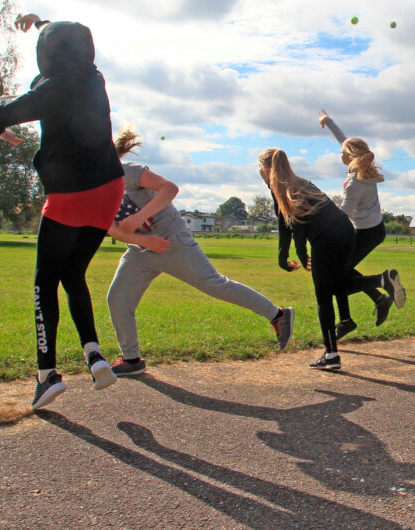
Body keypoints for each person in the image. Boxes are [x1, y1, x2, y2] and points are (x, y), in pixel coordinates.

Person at [0, 13, 125, 409]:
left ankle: (47, 375)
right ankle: (95, 355)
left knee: (45, 280)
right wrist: (41, 20)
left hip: (70, 195)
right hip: (109, 188)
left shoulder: (47, 91)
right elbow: (67, 41)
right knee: (73, 273)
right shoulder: (94, 78)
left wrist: (1, 130)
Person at [104, 128, 297, 377]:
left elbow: (170, 189)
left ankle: (277, 315)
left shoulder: (127, 171)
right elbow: (113, 229)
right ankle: (131, 359)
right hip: (140, 249)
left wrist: (141, 217)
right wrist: (142, 240)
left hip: (173, 241)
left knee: (215, 284)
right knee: (118, 297)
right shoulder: (91, 189)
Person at [258, 148, 404, 370]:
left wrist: (300, 253)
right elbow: (284, 221)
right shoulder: (299, 182)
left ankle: (331, 355)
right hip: (346, 231)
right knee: (337, 286)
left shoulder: (285, 187)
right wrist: (282, 255)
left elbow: (296, 224)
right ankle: (382, 280)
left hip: (327, 239)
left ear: (267, 168)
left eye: (260, 168)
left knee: (323, 297)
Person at [318, 110, 397, 340]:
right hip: (366, 230)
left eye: (342, 153)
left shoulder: (356, 181)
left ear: (348, 157)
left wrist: (323, 231)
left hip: (367, 233)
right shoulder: (360, 167)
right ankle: (350, 317)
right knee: (338, 272)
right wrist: (328, 121)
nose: (339, 153)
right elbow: (344, 141)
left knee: (337, 275)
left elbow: (343, 215)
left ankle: (379, 288)